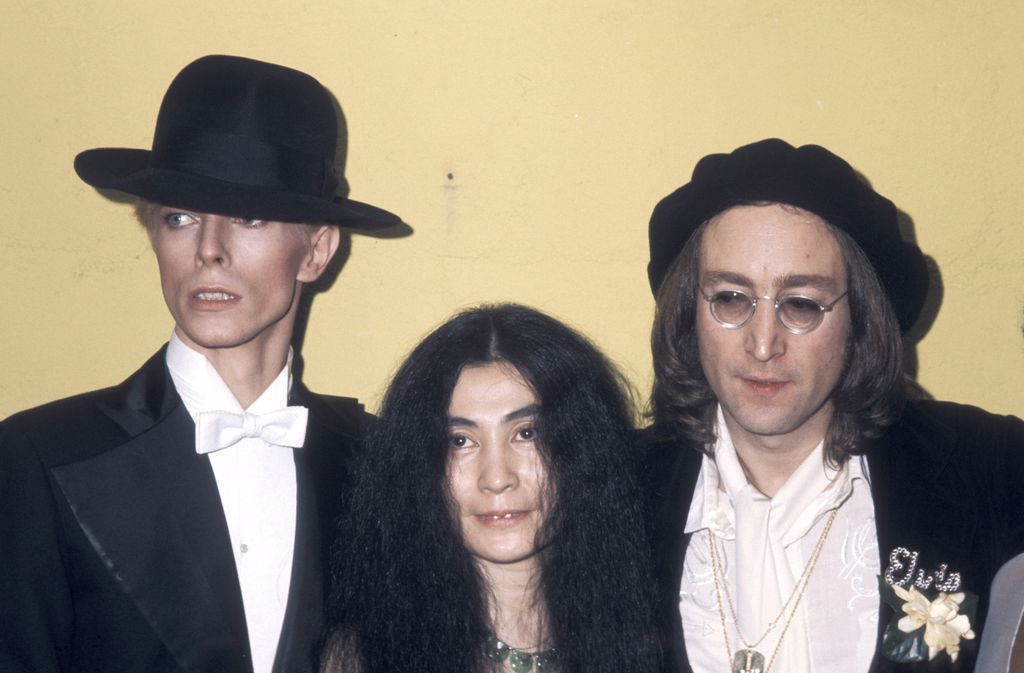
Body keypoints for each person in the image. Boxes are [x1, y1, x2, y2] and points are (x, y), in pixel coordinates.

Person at [0, 55, 401, 673]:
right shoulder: (40, 458)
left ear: (317, 250)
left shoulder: (380, 463)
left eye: (249, 217)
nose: (208, 250)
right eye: (179, 218)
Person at [641, 138, 1024, 673]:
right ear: (690, 310)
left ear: (859, 318)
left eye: (801, 304)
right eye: (730, 298)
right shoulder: (611, 487)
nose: (763, 344)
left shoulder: (986, 465)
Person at [321, 304, 660, 673]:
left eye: (527, 433)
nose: (497, 479)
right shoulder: (365, 659)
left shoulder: (661, 637)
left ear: (581, 448)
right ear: (419, 466)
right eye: (460, 441)